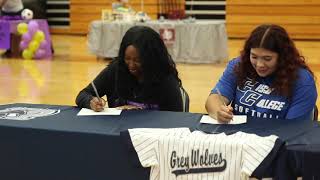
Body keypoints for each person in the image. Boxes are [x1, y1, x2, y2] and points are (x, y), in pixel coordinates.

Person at [205, 24, 317, 122]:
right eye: (254, 56)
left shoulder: (302, 80)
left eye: (267, 58)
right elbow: (214, 99)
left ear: (283, 57)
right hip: (237, 140)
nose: (259, 64)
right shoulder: (239, 65)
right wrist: (219, 112)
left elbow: (294, 128)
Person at [76, 26, 184, 112]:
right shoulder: (116, 69)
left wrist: (139, 113)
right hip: (118, 134)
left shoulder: (165, 77)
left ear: (150, 59)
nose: (131, 65)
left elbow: (177, 119)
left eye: (137, 60)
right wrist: (91, 101)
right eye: (127, 58)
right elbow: (83, 94)